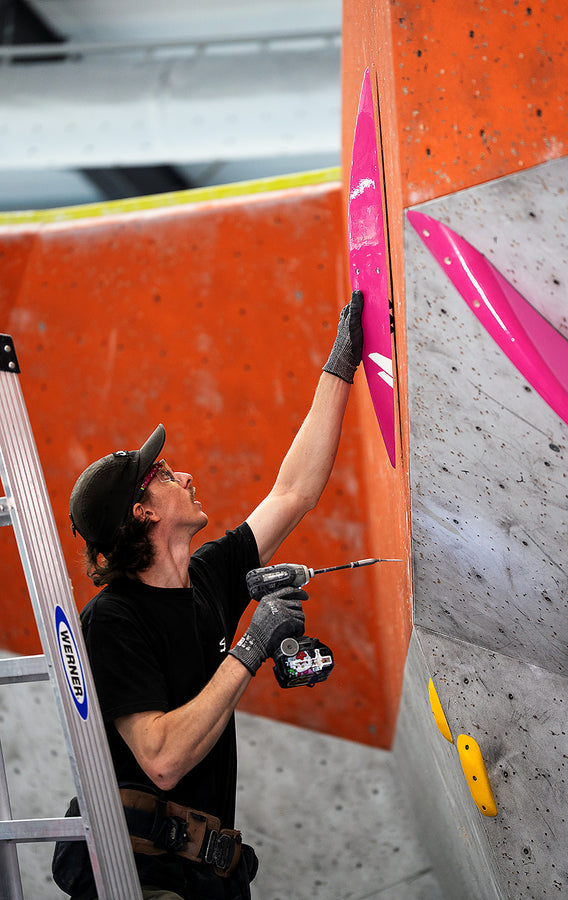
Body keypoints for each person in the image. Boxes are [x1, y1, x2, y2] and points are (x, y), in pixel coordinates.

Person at [53, 290, 364, 900]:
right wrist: (252, 645)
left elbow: (294, 492)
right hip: (140, 879)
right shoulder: (112, 619)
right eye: (166, 476)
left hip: (206, 878)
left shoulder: (208, 576)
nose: (186, 474)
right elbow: (162, 758)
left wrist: (340, 366)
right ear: (143, 513)